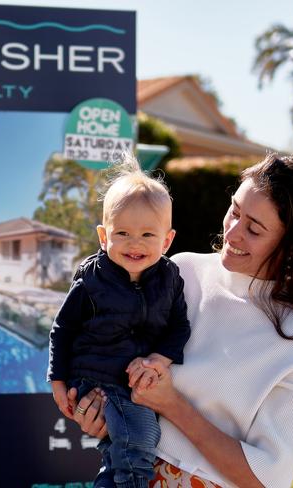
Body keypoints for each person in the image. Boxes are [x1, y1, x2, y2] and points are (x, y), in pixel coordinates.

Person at [72, 154, 293, 488]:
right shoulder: (180, 272)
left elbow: (267, 479)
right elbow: (118, 358)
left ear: (292, 246)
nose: (232, 233)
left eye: (254, 229)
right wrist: (100, 410)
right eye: (234, 210)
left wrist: (172, 405)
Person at [47, 154, 191, 488]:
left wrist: (159, 359)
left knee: (121, 453)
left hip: (133, 382)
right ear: (103, 235)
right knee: (140, 437)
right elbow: (62, 329)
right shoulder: (92, 280)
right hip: (96, 377)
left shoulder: (169, 278)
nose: (134, 244)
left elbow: (178, 327)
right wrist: (57, 380)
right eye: (122, 232)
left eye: (147, 235)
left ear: (167, 240)